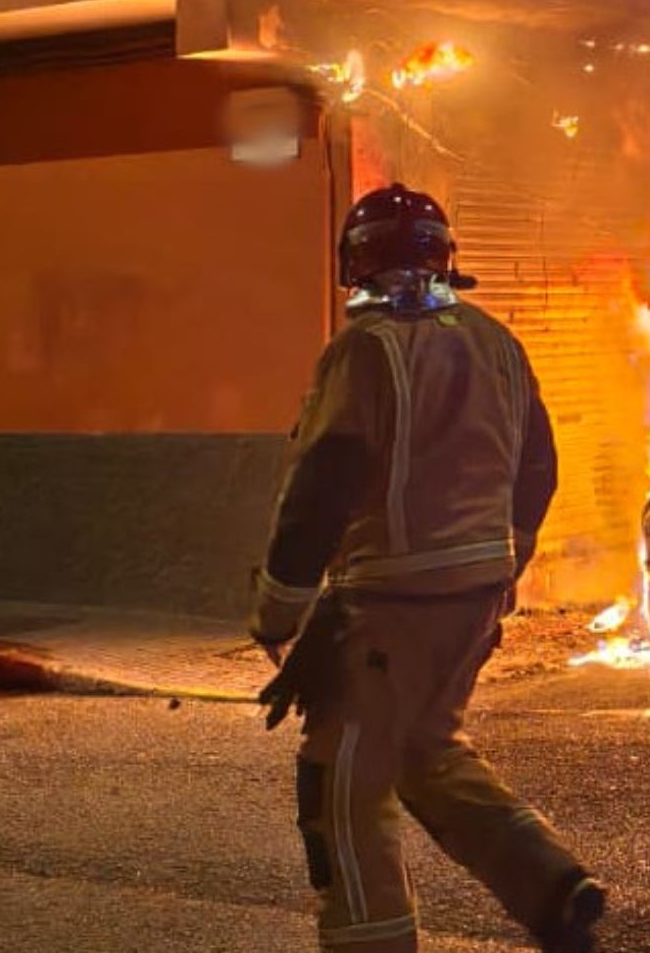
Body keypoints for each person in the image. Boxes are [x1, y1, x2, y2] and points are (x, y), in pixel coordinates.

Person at [248, 184, 605, 953]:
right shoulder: (495, 340)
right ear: (447, 256)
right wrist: (505, 561)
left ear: (354, 265)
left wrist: (278, 607)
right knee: (426, 749)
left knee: (343, 782)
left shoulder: (363, 349)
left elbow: (325, 478)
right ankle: (551, 884)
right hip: (473, 596)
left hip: (389, 601)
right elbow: (537, 465)